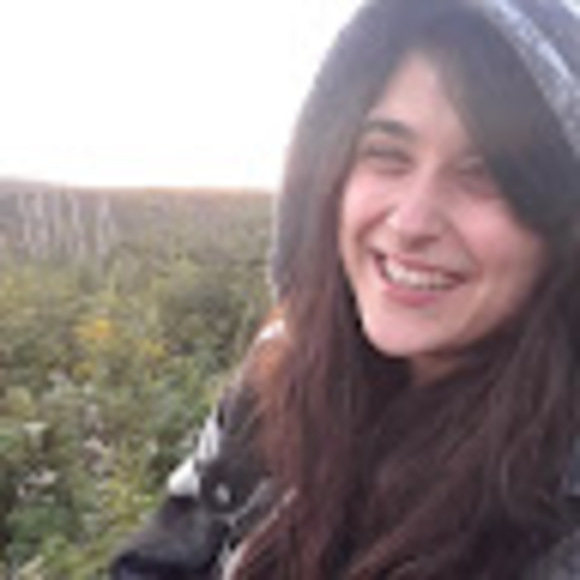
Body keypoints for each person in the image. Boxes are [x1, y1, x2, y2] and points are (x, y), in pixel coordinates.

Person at [109, 0, 580, 578]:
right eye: (387, 155)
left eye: (484, 173)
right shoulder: (281, 372)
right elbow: (163, 557)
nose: (410, 222)